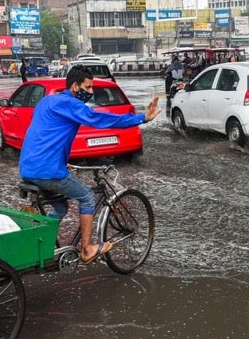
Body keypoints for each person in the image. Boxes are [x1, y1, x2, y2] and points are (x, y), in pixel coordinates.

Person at [19, 66, 162, 265]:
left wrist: (61, 161)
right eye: (88, 87)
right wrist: (141, 118)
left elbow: (46, 136)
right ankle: (86, 249)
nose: (91, 91)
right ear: (75, 86)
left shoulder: (47, 101)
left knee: (60, 207)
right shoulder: (71, 104)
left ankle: (39, 244)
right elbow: (100, 119)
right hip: (48, 171)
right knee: (86, 196)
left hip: (28, 169)